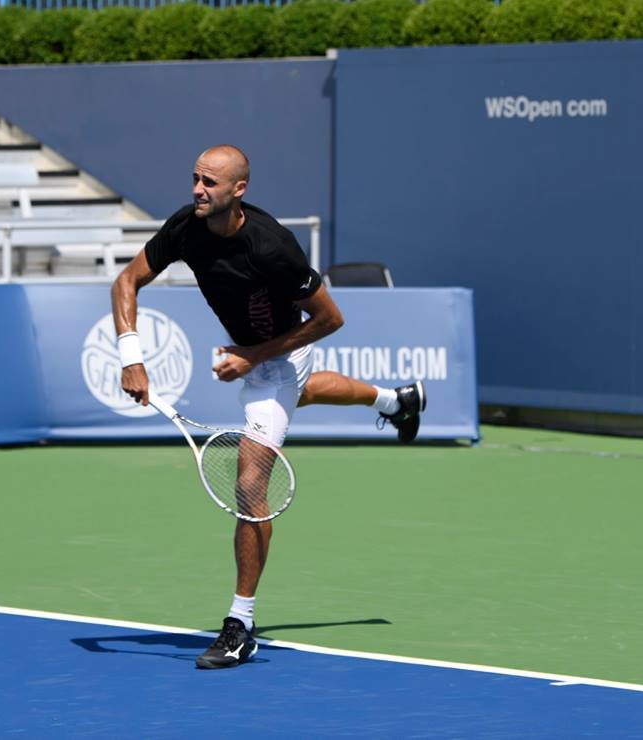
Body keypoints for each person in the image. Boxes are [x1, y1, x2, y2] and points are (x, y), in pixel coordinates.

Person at [111, 145, 426, 669]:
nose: (197, 190)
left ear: (239, 190)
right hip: (257, 356)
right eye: (194, 178)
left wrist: (250, 357)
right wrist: (131, 358)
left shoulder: (272, 247)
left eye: (210, 182)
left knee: (250, 480)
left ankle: (241, 625)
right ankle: (398, 402)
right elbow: (127, 281)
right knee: (305, 394)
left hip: (281, 354)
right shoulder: (185, 228)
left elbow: (330, 320)